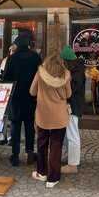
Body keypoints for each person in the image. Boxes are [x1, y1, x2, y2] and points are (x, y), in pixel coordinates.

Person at [30, 53, 72, 188]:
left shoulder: (40, 73)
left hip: (43, 115)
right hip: (59, 117)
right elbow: (68, 94)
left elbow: (32, 91)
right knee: (56, 146)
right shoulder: (65, 75)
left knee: (42, 144)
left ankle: (42, 173)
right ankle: (53, 178)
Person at [2, 31, 42, 166]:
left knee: (15, 125)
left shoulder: (12, 58)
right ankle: (30, 153)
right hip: (31, 97)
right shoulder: (35, 57)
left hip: (16, 97)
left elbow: (6, 78)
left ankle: (15, 155)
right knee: (30, 125)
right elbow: (41, 76)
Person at [60, 45, 85, 174]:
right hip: (73, 105)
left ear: (66, 60)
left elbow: (72, 89)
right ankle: (71, 158)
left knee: (72, 134)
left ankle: (73, 165)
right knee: (68, 134)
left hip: (73, 106)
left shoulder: (75, 71)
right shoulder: (77, 69)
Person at [0, 43, 17, 146]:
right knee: (4, 115)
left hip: (13, 91)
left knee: (11, 116)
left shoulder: (17, 61)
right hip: (5, 90)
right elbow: (0, 75)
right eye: (10, 51)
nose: (11, 53)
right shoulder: (5, 60)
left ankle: (10, 137)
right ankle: (3, 136)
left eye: (13, 51)